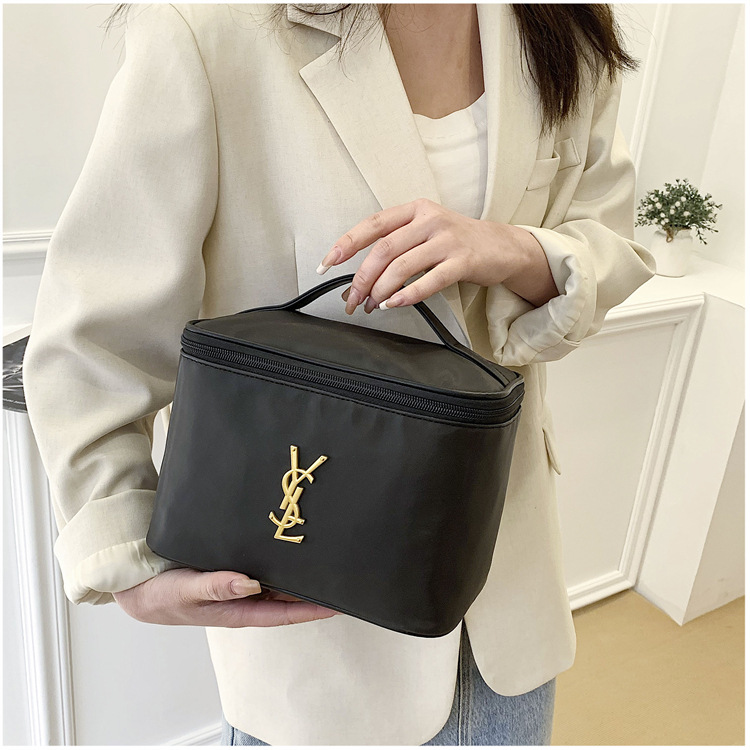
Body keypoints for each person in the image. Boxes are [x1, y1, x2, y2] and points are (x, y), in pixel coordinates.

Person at [22, 2, 656, 746]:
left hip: (505, 600)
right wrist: (123, 549)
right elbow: (95, 334)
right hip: (308, 605)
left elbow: (607, 236)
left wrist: (516, 250)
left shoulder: (563, 23)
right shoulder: (210, 26)